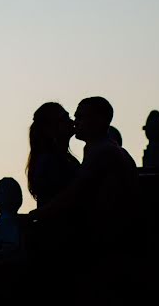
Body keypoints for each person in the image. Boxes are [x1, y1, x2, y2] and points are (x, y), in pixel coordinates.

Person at [31, 96, 139, 303]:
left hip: (105, 248)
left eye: (80, 117)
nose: (75, 121)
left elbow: (76, 193)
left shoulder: (102, 152)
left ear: (98, 121)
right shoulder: (95, 152)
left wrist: (36, 216)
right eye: (71, 118)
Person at [26, 102, 80, 207]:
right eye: (65, 119)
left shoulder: (64, 159)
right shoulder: (49, 162)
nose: (72, 122)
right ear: (50, 129)